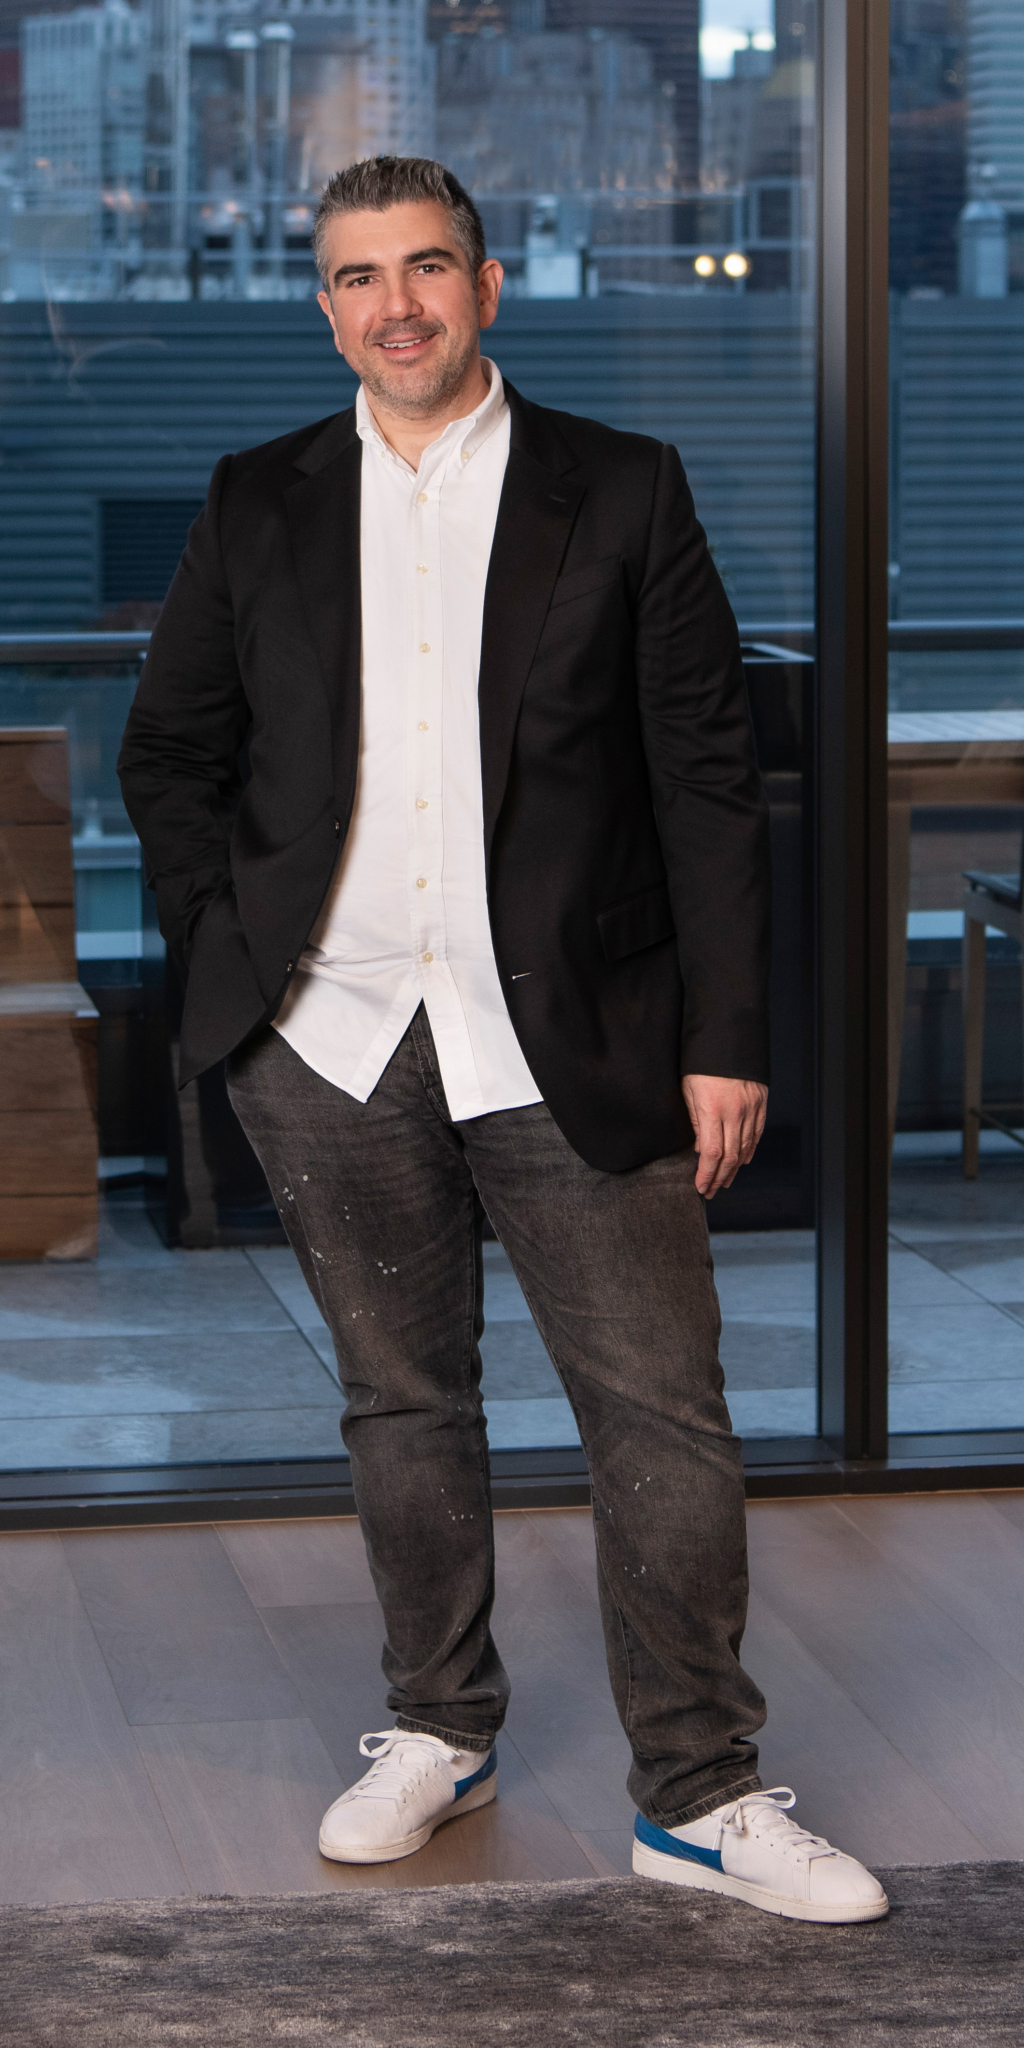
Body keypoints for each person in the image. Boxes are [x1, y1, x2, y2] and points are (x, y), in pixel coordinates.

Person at [118, 155, 886, 1925]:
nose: (393, 304)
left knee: (663, 1416)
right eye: (355, 275)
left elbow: (707, 781)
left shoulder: (619, 488)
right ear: (324, 305)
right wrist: (237, 965)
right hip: (330, 1034)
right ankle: (437, 1730)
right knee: (402, 1401)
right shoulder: (257, 498)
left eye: (425, 267)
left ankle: (700, 1791)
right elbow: (171, 753)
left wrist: (725, 1035)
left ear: (485, 285)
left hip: (578, 1036)